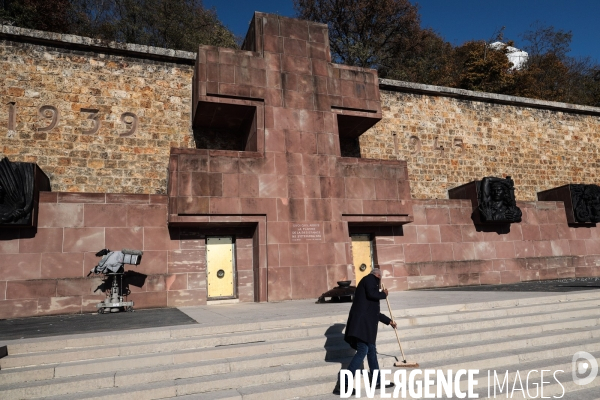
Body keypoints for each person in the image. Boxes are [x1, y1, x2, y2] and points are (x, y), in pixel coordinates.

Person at [333, 268, 397, 394]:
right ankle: (343, 384)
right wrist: (384, 294)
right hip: (361, 327)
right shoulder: (369, 279)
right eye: (380, 278)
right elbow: (373, 294)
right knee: (364, 350)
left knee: (371, 350)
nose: (379, 282)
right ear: (377, 275)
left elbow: (374, 312)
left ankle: (376, 381)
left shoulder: (369, 284)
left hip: (365, 327)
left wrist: (388, 321)